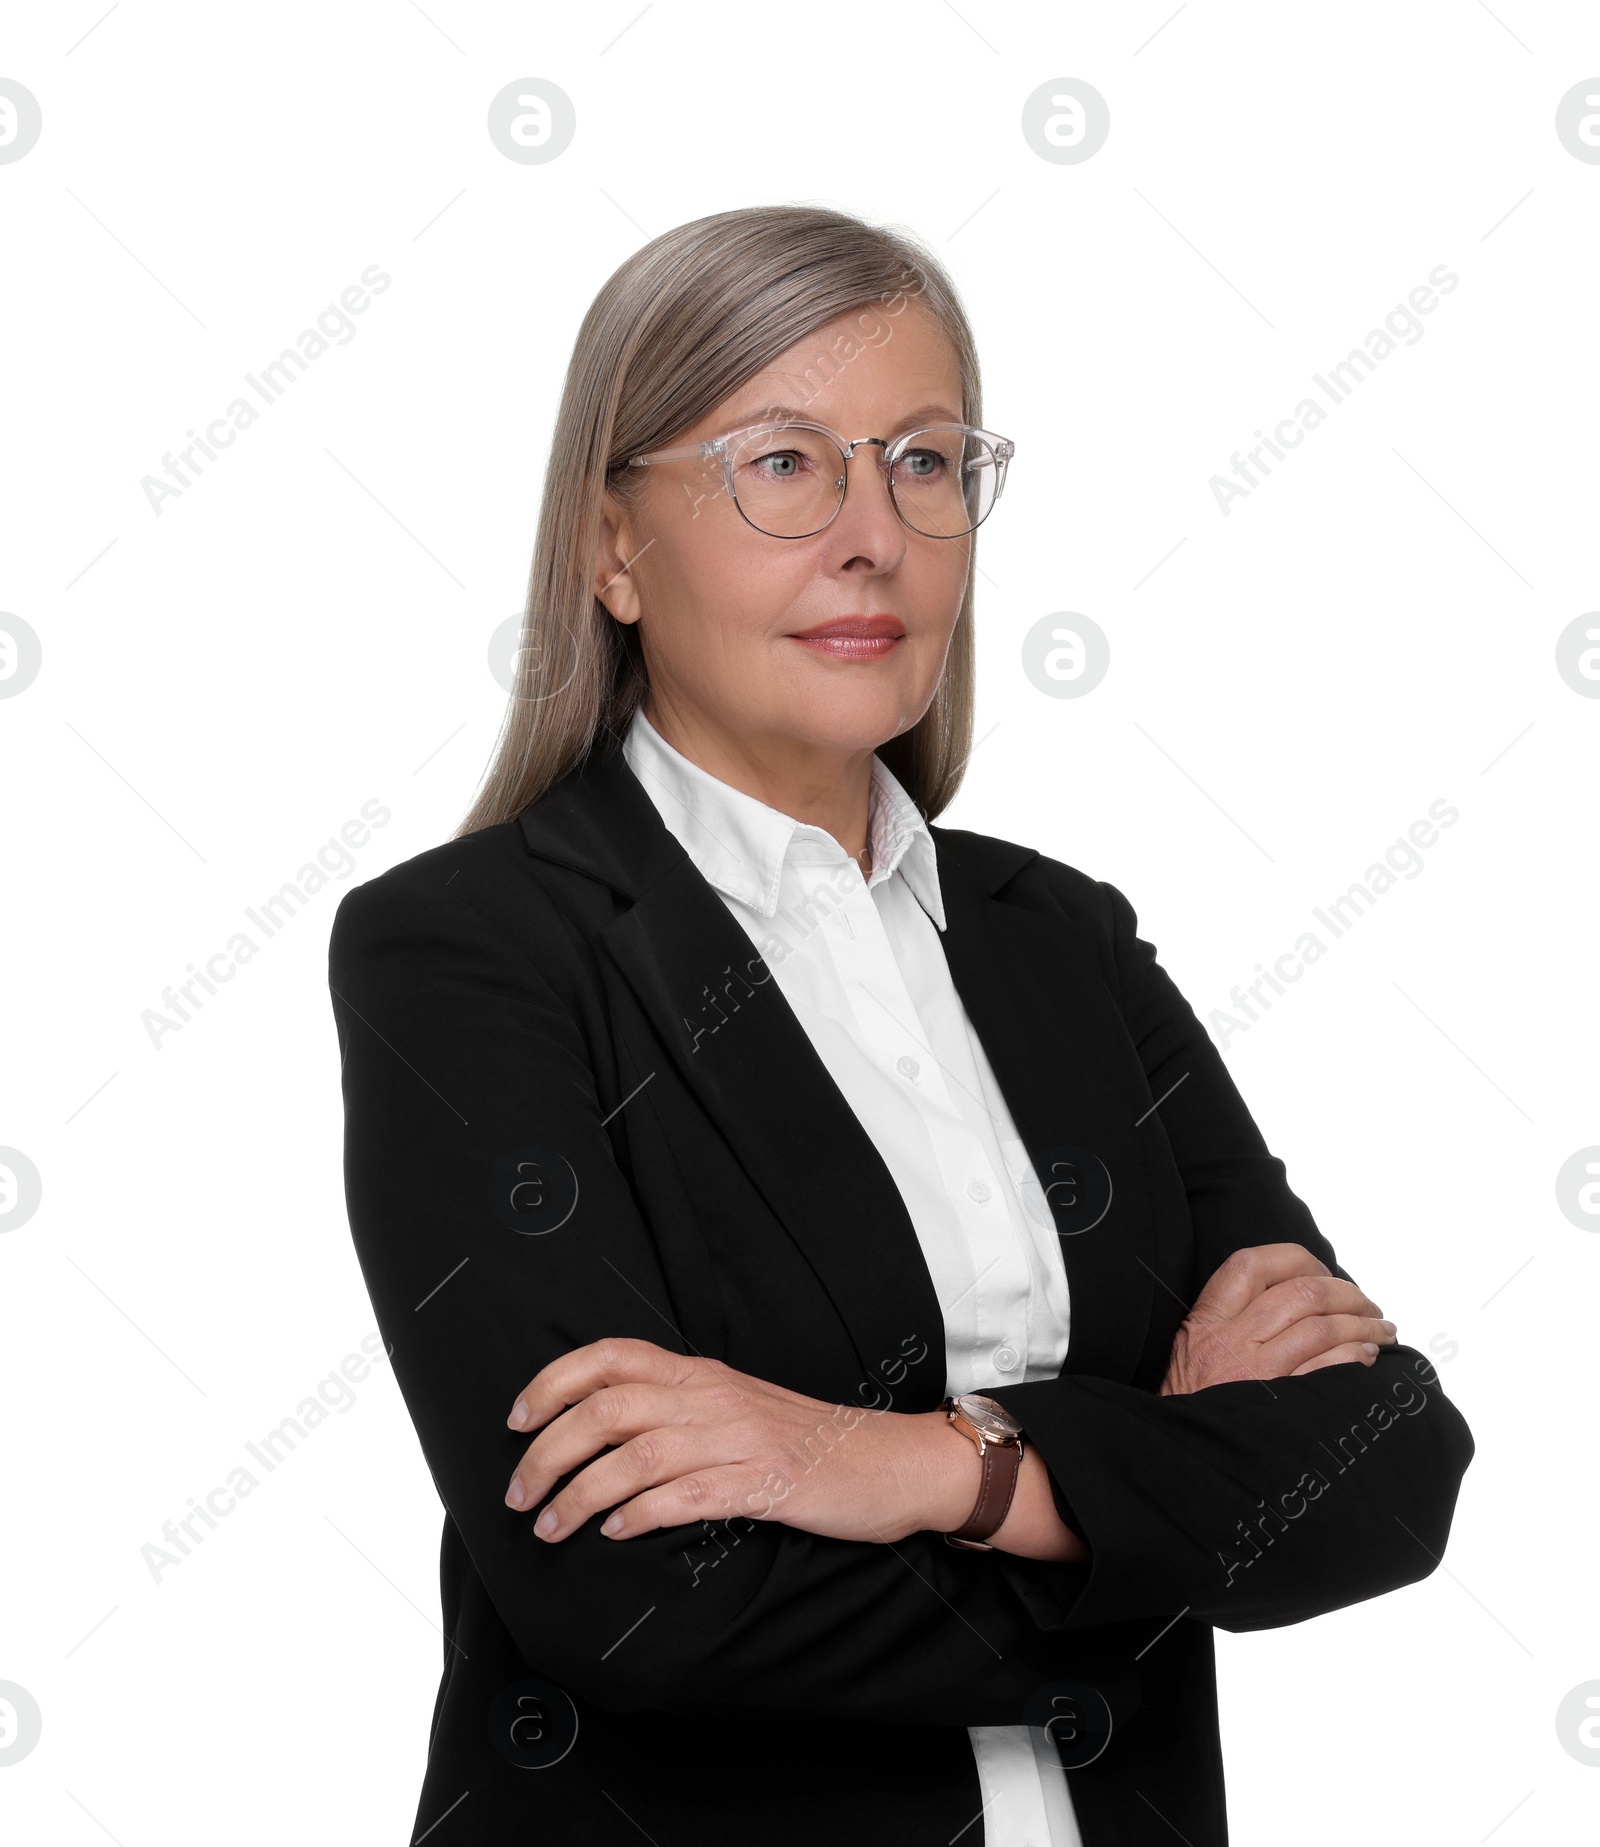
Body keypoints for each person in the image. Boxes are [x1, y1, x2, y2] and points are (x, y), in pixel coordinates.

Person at [327, 204, 1474, 1846]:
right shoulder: (473, 949)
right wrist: (1160, 1501)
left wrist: (918, 1470)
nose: (876, 533)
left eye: (927, 464)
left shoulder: (1061, 939)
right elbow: (642, 1609)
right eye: (784, 464)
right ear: (612, 545)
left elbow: (1386, 1467)